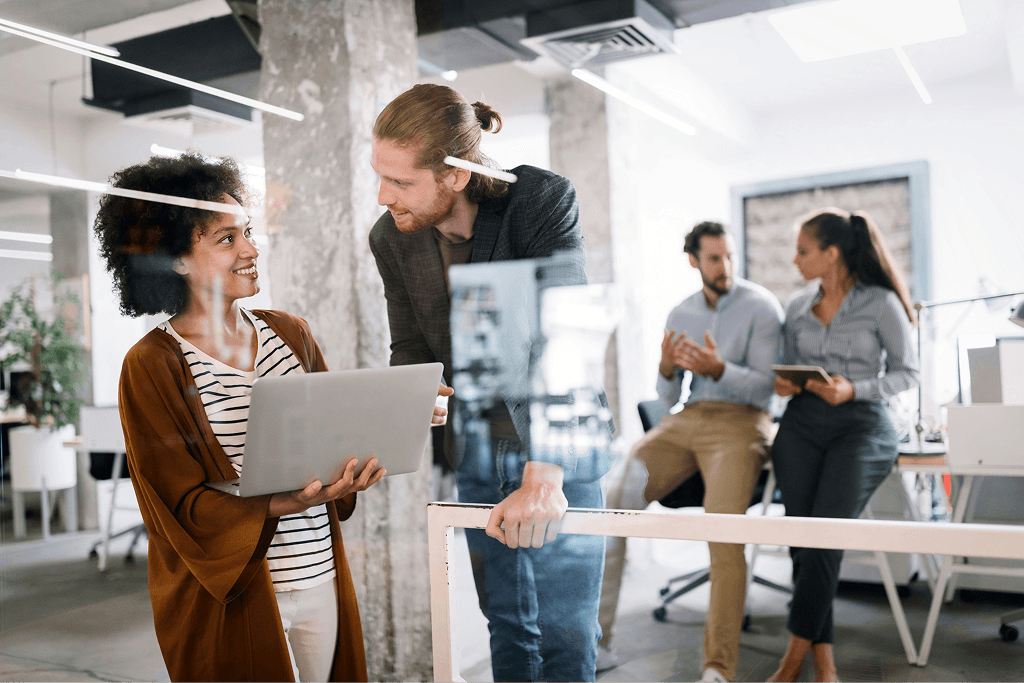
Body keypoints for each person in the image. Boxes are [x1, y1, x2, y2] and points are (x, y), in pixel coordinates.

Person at [94, 153, 385, 682]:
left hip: (318, 571)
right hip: (237, 589)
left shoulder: (291, 333)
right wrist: (285, 502)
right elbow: (175, 502)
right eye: (226, 239)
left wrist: (365, 453)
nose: (251, 250)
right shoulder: (153, 365)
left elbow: (333, 434)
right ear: (175, 258)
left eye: (247, 232)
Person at [368, 83, 608, 682]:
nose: (382, 195)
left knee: (565, 628)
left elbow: (567, 336)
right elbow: (412, 345)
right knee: (506, 621)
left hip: (558, 444)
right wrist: (417, 393)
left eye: (400, 182)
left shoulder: (538, 202)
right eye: (380, 177)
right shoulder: (389, 237)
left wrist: (545, 474)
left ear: (455, 175)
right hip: (479, 447)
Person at [597, 221, 783, 682]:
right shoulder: (680, 313)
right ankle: (595, 641)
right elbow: (664, 397)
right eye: (715, 258)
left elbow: (768, 390)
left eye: (730, 256)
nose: (726, 267)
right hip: (686, 419)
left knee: (723, 531)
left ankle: (718, 668)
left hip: (741, 422)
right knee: (614, 498)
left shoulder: (762, 307)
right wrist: (664, 367)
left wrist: (721, 369)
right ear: (694, 261)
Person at [767, 208, 919, 683]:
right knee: (802, 540)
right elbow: (787, 366)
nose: (795, 260)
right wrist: (787, 385)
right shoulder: (795, 307)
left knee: (825, 536)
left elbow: (908, 372)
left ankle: (795, 658)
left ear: (831, 254)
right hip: (802, 425)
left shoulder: (881, 304)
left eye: (803, 251)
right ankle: (823, 658)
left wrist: (854, 389)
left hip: (861, 426)